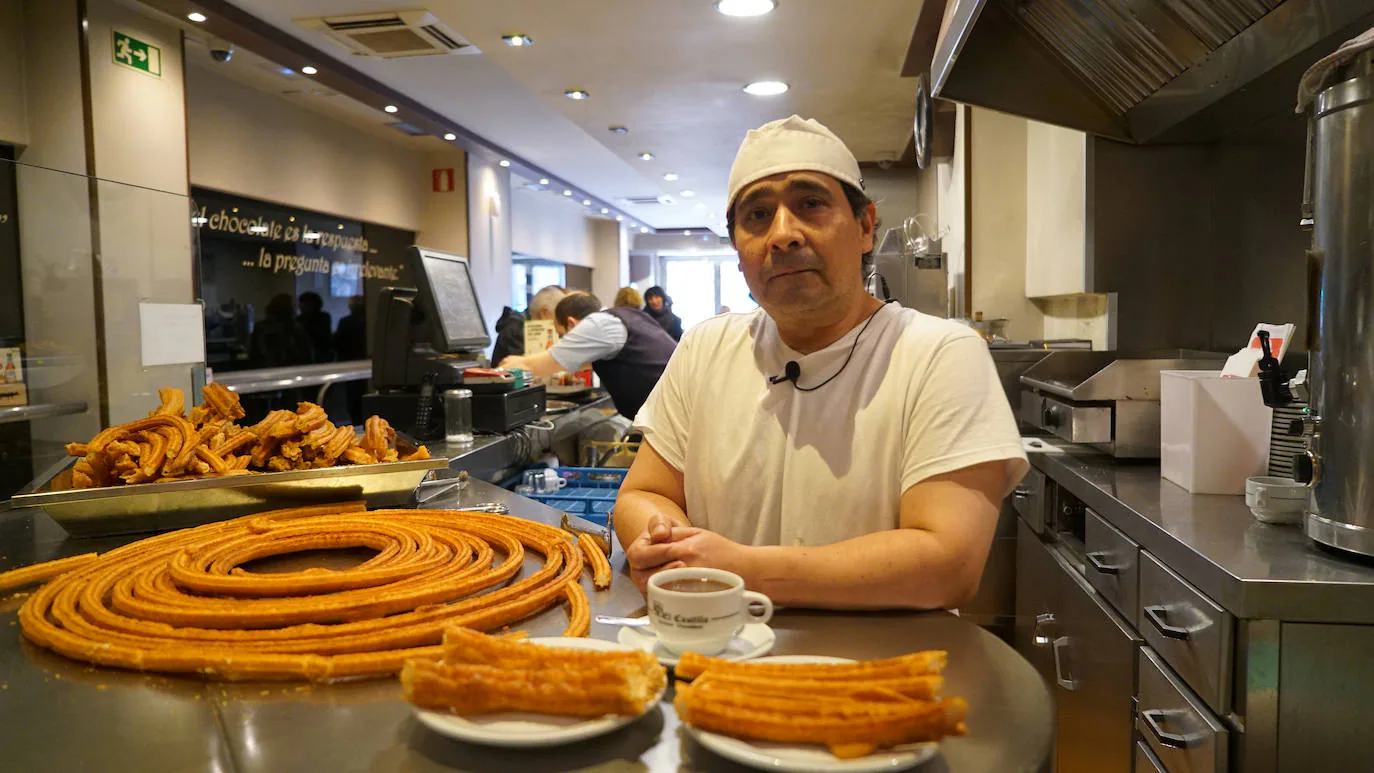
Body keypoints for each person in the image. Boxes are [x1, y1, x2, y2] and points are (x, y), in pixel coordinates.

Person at [616, 115, 1027, 611]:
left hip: (878, 673)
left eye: (810, 205)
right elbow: (643, 494)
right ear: (738, 251)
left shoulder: (938, 353)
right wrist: (670, 545)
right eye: (758, 216)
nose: (783, 235)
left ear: (865, 227)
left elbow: (949, 562)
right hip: (715, 657)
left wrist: (741, 569)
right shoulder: (707, 347)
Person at [498, 291, 676, 421]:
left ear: (571, 323)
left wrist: (506, 366)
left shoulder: (596, 325)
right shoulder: (625, 316)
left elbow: (533, 366)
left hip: (670, 412)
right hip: (674, 406)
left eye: (562, 335)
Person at [491, 285, 567, 366]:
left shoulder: (521, 324)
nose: (561, 322)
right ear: (544, 313)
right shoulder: (518, 330)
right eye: (559, 316)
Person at [333, 295, 368, 423]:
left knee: (354, 399)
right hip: (353, 364)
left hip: (353, 364)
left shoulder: (347, 322)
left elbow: (337, 343)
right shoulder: (366, 321)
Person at [297, 291, 333, 363]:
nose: (302, 306)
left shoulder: (323, 317)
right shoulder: (298, 319)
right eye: (301, 303)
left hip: (321, 355)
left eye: (306, 303)